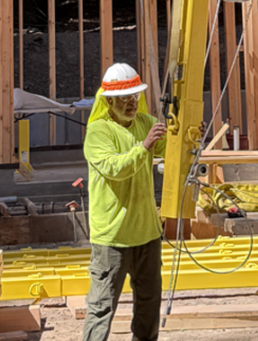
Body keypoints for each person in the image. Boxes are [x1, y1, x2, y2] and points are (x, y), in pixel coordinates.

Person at [82, 62, 167, 341]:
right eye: (124, 98)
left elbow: (174, 147)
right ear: (108, 101)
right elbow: (115, 168)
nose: (131, 103)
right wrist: (144, 147)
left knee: (149, 303)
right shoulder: (98, 132)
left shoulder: (146, 123)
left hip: (147, 234)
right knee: (101, 308)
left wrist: (188, 134)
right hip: (112, 238)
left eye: (135, 97)